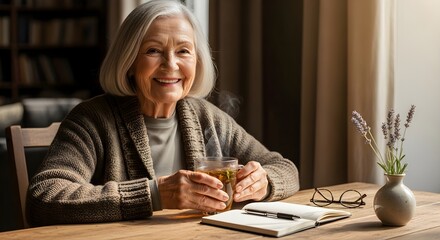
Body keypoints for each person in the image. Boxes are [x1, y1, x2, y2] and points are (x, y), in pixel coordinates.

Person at [27, 0, 299, 226]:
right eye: (153, 51)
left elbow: (286, 169)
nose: (171, 65)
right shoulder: (92, 120)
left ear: (197, 60)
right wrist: (155, 194)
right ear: (130, 61)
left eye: (183, 51)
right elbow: (44, 197)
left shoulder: (207, 117)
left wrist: (264, 181)